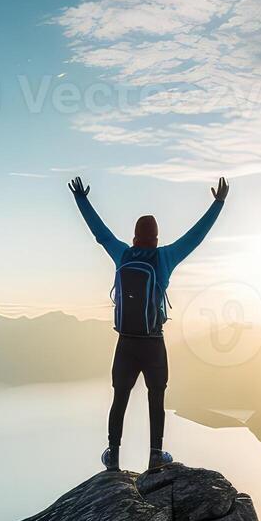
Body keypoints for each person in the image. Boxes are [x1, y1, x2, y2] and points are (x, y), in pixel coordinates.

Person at [71, 174, 228, 471]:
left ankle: (113, 456)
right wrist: (218, 204)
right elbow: (196, 237)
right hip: (154, 342)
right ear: (156, 238)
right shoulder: (165, 257)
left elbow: (100, 233)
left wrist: (82, 200)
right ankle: (156, 455)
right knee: (156, 398)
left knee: (120, 398)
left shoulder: (123, 255)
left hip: (126, 342)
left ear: (134, 236)